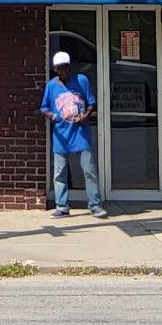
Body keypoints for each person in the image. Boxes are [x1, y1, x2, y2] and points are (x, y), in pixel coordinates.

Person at [41, 51, 105, 217]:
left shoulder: (81, 80)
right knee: (59, 173)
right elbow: (44, 108)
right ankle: (62, 206)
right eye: (60, 68)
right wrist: (53, 116)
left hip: (81, 134)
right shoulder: (51, 86)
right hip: (61, 135)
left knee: (89, 171)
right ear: (55, 69)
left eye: (66, 67)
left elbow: (92, 103)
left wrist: (85, 116)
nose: (64, 71)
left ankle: (95, 204)